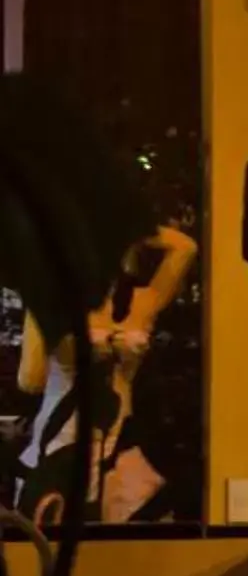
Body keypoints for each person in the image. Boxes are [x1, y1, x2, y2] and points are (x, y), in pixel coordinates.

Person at [15, 223, 197, 530]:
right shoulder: (139, 303)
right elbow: (31, 381)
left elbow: (186, 248)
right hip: (68, 443)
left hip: (112, 443)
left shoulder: (136, 302)